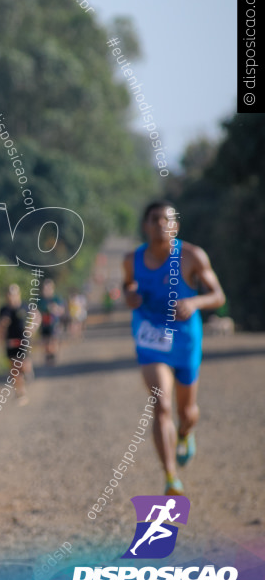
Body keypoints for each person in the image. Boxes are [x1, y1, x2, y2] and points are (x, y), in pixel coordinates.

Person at [122, 200, 225, 495]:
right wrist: (129, 295)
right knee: (161, 405)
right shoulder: (132, 259)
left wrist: (194, 302)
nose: (160, 225)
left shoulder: (192, 256)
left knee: (187, 411)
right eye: (154, 219)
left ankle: (185, 433)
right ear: (145, 225)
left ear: (175, 226)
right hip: (150, 341)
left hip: (184, 342)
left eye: (166, 220)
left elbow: (218, 295)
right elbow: (128, 285)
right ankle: (170, 478)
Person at [0, 284, 33, 403]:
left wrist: (31, 329)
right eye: (9, 294)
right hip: (10, 340)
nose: (11, 297)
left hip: (23, 339)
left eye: (13, 294)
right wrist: (3, 323)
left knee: (23, 365)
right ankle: (20, 392)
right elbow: (0, 326)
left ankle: (27, 372)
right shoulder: (4, 309)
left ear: (18, 294)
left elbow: (36, 316)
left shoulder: (25, 306)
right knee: (14, 368)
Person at [37, 278, 65, 364]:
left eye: (49, 288)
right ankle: (48, 355)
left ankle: (53, 356)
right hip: (44, 324)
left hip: (54, 323)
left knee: (53, 340)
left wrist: (55, 308)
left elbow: (62, 310)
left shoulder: (56, 298)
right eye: (45, 288)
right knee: (45, 341)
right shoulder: (40, 300)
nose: (47, 290)